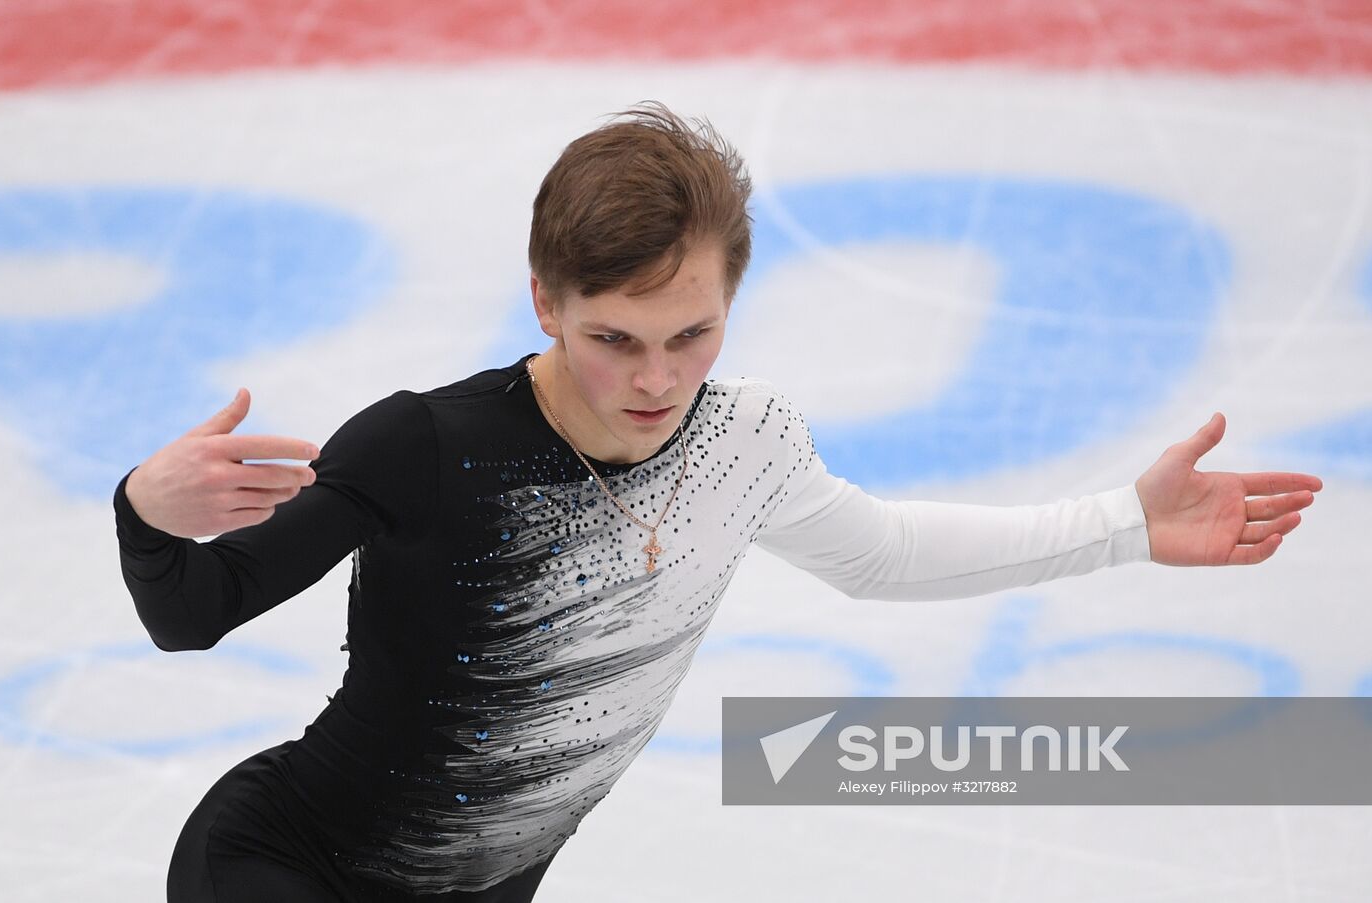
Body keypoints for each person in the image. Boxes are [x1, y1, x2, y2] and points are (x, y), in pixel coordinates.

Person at [114, 102, 1322, 902]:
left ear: (732, 295)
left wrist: (1124, 523)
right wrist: (145, 508)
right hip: (287, 868)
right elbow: (194, 614)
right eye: (612, 338)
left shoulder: (744, 444)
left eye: (689, 333)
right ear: (544, 302)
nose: (653, 380)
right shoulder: (426, 445)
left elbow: (885, 554)